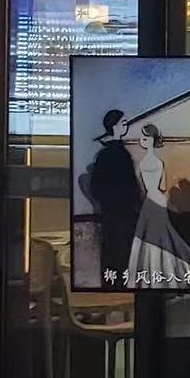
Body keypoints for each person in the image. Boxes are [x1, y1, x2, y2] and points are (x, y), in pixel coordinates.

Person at [121, 123, 190, 286]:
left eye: (145, 138)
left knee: (148, 238)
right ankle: (167, 271)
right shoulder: (158, 162)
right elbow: (163, 186)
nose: (142, 141)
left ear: (151, 140)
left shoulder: (141, 164)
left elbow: (140, 188)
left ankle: (154, 272)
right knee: (163, 235)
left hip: (149, 201)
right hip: (158, 198)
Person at [79, 108, 143, 281]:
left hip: (111, 214)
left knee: (112, 251)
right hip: (123, 214)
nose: (126, 126)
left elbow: (97, 188)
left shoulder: (106, 155)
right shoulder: (119, 155)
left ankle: (112, 282)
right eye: (123, 123)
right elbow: (130, 186)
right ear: (114, 127)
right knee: (122, 253)